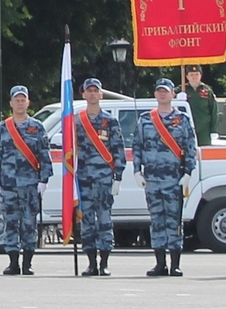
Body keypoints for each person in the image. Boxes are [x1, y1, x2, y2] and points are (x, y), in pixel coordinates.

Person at [136, 77, 198, 276]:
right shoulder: (146, 119)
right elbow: (137, 146)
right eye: (159, 91)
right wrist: (137, 170)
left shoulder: (182, 119)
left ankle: (175, 263)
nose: (163, 94)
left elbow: (190, 147)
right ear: (155, 94)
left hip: (174, 178)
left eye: (166, 91)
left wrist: (188, 172)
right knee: (157, 221)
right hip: (152, 179)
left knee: (174, 221)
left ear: (173, 94)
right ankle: (160, 263)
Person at [0, 85, 49, 275]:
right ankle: (13, 261)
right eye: (17, 100)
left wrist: (44, 179)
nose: (20, 103)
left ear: (28, 103)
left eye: (23, 100)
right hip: (8, 184)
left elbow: (44, 155)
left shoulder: (37, 127)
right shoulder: (3, 127)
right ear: (11, 103)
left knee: (29, 223)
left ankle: (28, 262)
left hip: (30, 184)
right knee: (10, 222)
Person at [70, 77, 124, 277]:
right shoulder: (75, 121)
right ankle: (91, 262)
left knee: (104, 220)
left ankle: (104, 262)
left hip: (103, 178)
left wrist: (118, 176)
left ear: (101, 94)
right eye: (89, 90)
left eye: (96, 90)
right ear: (83, 94)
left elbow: (117, 149)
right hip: (83, 178)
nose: (92, 94)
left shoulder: (110, 121)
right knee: (87, 222)